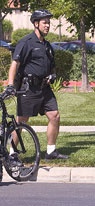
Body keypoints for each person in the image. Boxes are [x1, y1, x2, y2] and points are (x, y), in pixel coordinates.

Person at [6, 9, 68, 160]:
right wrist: (10, 84)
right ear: (36, 23)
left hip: (44, 89)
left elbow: (51, 66)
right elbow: (15, 64)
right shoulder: (26, 43)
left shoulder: (47, 45)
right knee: (21, 121)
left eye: (48, 22)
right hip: (28, 88)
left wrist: (52, 75)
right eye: (44, 22)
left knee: (54, 115)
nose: (48, 25)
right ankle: (12, 154)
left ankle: (51, 151)